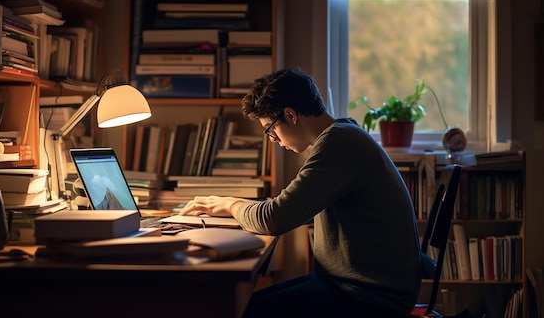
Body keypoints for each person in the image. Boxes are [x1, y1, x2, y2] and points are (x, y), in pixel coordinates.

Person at [180, 68, 421, 317]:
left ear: (290, 115)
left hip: (369, 297)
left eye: (270, 129)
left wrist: (231, 206)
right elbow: (296, 208)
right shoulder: (344, 134)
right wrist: (238, 204)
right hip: (355, 285)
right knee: (242, 304)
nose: (272, 139)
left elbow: (276, 218)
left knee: (240, 310)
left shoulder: (337, 145)